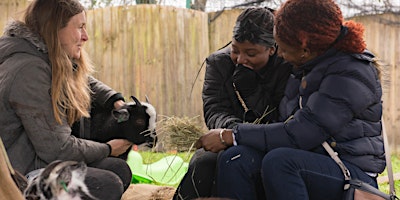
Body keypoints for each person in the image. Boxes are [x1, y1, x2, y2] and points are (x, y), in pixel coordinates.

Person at [195, 0, 386, 199]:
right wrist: (235, 138)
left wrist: (231, 135)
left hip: (350, 170)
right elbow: (283, 122)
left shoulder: (350, 72)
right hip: (310, 158)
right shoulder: (305, 67)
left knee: (280, 162)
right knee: (236, 157)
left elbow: (301, 133)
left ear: (305, 48)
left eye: (284, 49)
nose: (281, 55)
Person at [0, 0, 133, 199]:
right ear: (55, 29)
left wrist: (115, 100)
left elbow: (84, 79)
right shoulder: (30, 71)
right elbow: (58, 149)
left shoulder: (42, 55)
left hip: (40, 161)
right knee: (107, 184)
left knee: (119, 169)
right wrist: (108, 148)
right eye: (80, 27)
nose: (85, 37)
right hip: (24, 178)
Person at [173, 7, 292, 200]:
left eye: (251, 53)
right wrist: (230, 133)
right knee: (203, 163)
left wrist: (250, 91)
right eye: (235, 50)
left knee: (237, 158)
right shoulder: (218, 63)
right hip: (228, 137)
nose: (240, 59)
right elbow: (214, 109)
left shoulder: (286, 66)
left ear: (272, 49)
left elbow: (280, 118)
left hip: (273, 142)